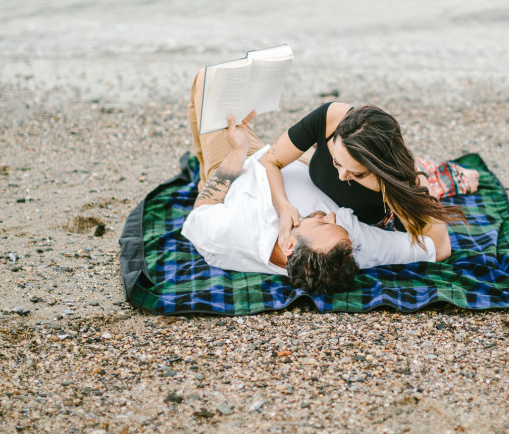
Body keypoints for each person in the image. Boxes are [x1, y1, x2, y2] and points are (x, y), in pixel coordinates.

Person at [180, 69, 452, 294]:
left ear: (289, 246)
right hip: (284, 161)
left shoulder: (226, 235)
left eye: (322, 222)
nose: (333, 216)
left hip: (237, 166)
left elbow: (203, 206)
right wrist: (418, 177)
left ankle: (204, 159)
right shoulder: (354, 246)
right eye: (335, 224)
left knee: (208, 81)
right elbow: (438, 248)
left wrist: (237, 153)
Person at [258, 102, 478, 248]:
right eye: (336, 162)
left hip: (391, 205)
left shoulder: (404, 184)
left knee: (464, 180)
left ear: (384, 171)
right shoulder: (329, 118)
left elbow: (440, 250)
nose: (342, 176)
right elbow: (269, 160)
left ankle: (439, 170)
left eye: (358, 174)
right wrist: (283, 206)